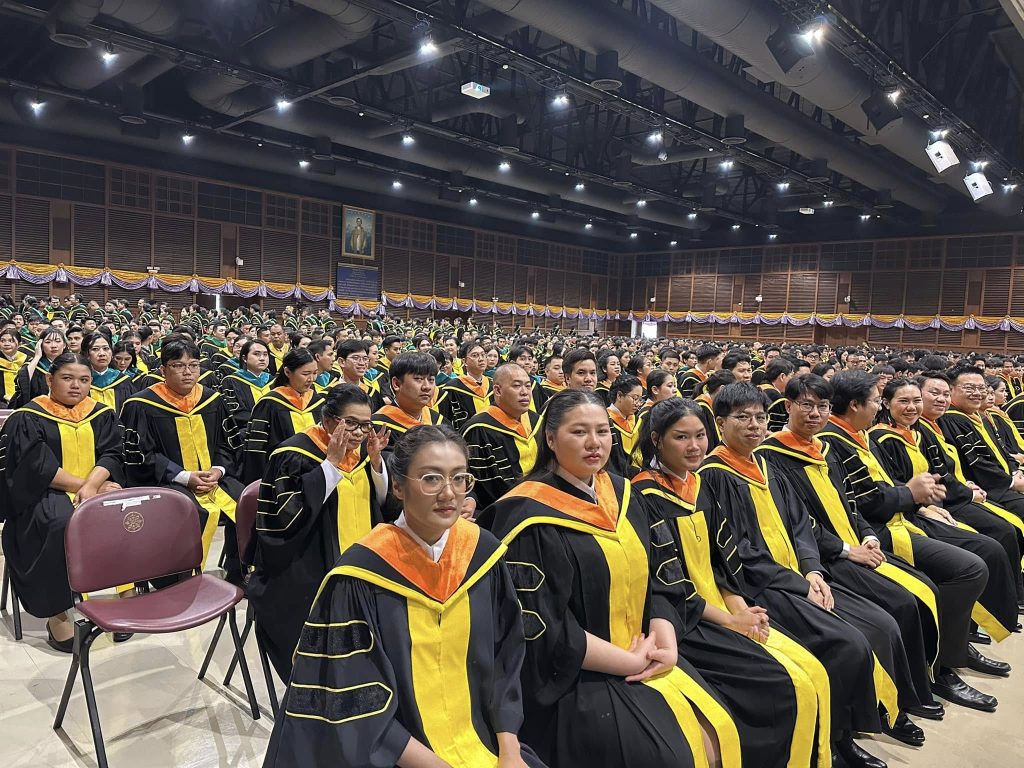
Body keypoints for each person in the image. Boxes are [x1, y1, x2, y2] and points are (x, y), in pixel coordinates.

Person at [262, 425, 546, 768]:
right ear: (397, 486)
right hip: (394, 755)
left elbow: (508, 657)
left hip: (487, 740)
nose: (449, 493)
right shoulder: (359, 577)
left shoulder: (483, 554)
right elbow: (354, 699)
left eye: (459, 478)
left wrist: (510, 751)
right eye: (431, 479)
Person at [485, 390, 742, 768]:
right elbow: (541, 626)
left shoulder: (624, 494)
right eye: (579, 432)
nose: (594, 443)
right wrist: (626, 661)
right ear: (551, 439)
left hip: (646, 650)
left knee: (719, 733)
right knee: (668, 758)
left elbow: (662, 575)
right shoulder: (527, 516)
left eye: (603, 431)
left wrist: (666, 639)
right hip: (579, 674)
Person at [699, 382, 907, 768]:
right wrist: (799, 583)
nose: (754, 425)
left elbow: (800, 526)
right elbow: (739, 551)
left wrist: (812, 570)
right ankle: (833, 742)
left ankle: (849, 728)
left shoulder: (767, 466)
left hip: (800, 575)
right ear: (720, 423)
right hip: (762, 586)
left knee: (880, 623)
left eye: (760, 417)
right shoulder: (714, 475)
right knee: (847, 643)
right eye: (742, 418)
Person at [633, 398, 829, 768]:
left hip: (724, 606)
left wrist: (741, 609)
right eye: (681, 437)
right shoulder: (643, 496)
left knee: (812, 670)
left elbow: (724, 561)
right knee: (783, 685)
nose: (694, 446)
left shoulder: (699, 485)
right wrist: (729, 620)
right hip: (685, 619)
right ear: (656, 439)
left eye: (700, 436)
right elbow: (667, 583)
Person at [758, 374, 946, 732]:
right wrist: (846, 550)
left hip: (856, 545)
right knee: (892, 612)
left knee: (919, 593)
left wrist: (867, 535)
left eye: (822, 406)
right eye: (806, 405)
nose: (815, 414)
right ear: (788, 407)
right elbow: (800, 522)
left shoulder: (824, 449)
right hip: (826, 557)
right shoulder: (771, 457)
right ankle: (889, 706)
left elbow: (850, 503)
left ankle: (920, 683)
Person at [818, 370, 998, 712]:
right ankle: (942, 663)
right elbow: (863, 502)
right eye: (877, 401)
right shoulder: (833, 442)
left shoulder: (860, 435)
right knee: (967, 568)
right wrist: (911, 495)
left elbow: (884, 486)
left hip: (897, 519)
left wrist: (919, 500)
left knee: (981, 551)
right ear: (855, 405)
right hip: (879, 530)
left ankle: (952, 647)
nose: (879, 408)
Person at [249, 385, 390, 680]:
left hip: (360, 558)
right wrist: (330, 465)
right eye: (350, 423)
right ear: (328, 420)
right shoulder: (292, 454)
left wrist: (376, 462)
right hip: (307, 558)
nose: (359, 433)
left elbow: (378, 505)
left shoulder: (362, 454)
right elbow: (285, 518)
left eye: (365, 425)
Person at [871, 377, 1020, 648]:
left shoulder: (918, 431)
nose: (912, 407)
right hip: (904, 517)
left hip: (931, 505)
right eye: (904, 401)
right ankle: (954, 643)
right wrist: (923, 505)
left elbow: (939, 473)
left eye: (916, 401)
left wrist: (962, 488)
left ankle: (964, 633)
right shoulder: (879, 437)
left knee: (995, 541)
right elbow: (889, 487)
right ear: (884, 403)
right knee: (990, 545)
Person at [0, 353, 125, 652]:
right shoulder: (27, 417)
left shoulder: (100, 413)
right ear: (49, 379)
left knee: (126, 514)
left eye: (84, 380)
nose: (76, 386)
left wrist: (95, 485)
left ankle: (127, 595)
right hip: (45, 491)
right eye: (67, 378)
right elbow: (37, 467)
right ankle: (57, 612)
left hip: (94, 485)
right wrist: (89, 487)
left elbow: (113, 452)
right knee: (59, 522)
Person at [120, 338, 243, 571]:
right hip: (166, 481)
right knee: (188, 511)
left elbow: (228, 444)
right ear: (163, 370)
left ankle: (239, 571)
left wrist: (218, 470)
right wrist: (184, 476)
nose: (188, 372)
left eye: (194, 365)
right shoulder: (141, 404)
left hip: (213, 478)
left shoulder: (212, 400)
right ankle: (179, 578)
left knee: (247, 505)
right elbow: (141, 455)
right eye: (178, 365)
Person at [463, 363, 541, 512]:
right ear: (498, 390)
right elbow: (480, 486)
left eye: (528, 386)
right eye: (517, 386)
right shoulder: (479, 429)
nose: (525, 392)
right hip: (500, 511)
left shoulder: (536, 421)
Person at [243, 348, 325, 484]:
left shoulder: (318, 403)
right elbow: (256, 450)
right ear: (287, 372)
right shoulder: (269, 404)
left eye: (315, 373)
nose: (311, 379)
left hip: (316, 476)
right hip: (279, 478)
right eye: (305, 374)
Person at [372, 352, 446, 450]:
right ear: (396, 384)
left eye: (431, 380)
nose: (427, 387)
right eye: (418, 379)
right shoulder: (378, 427)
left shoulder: (440, 422)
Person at [436, 340, 492, 430]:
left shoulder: (492, 385)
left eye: (483, 355)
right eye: (475, 355)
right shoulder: (452, 388)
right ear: (464, 361)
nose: (481, 359)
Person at [9, 326, 66, 408]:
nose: (53, 345)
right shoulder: (35, 364)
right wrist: (37, 356)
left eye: (58, 341)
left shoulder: (71, 364)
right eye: (48, 342)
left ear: (64, 345)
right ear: (41, 346)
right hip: (38, 410)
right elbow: (23, 381)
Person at [81, 331, 135, 412]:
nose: (102, 353)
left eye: (106, 348)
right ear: (86, 354)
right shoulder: (80, 382)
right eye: (95, 349)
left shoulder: (123, 381)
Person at [606, 375, 643, 474]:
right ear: (619, 396)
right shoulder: (605, 422)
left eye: (640, 399)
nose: (638, 404)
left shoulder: (638, 421)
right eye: (635, 398)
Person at [0, 328, 27, 406]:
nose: (6, 344)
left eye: (11, 341)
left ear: (20, 344)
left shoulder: (28, 361)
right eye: (2, 341)